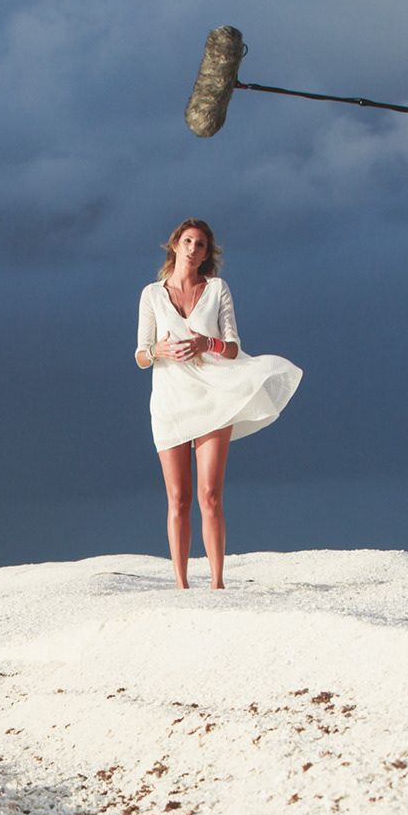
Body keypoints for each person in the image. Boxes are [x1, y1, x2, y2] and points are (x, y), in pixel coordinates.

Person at [135, 220, 301, 589]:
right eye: (188, 241)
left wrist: (204, 344)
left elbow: (233, 347)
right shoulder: (151, 294)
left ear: (207, 254)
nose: (193, 249)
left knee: (209, 495)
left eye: (201, 245)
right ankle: (180, 585)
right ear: (175, 245)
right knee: (178, 498)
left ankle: (217, 583)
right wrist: (155, 350)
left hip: (214, 397)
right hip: (169, 399)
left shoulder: (217, 289)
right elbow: (139, 356)